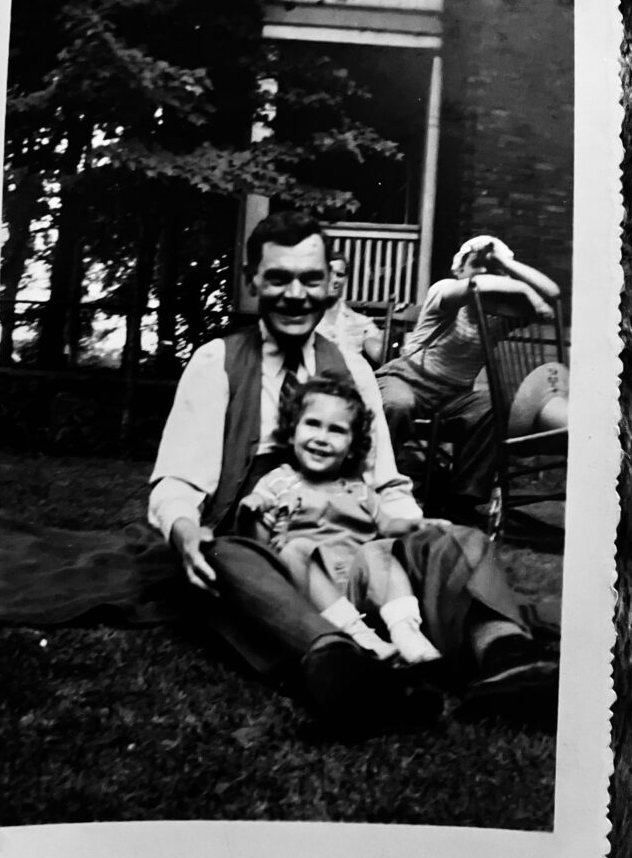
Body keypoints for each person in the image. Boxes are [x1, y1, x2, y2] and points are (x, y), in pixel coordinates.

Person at [149, 212, 558, 732]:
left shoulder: (352, 366)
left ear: (327, 285)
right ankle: (343, 670)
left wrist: (414, 526)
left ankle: (505, 658)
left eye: (310, 279)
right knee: (228, 556)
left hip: (356, 535)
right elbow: (180, 479)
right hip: (265, 540)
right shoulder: (218, 362)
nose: (295, 294)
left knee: (457, 539)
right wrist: (183, 528)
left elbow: (384, 479)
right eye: (278, 278)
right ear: (252, 281)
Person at [237, 374, 441, 666]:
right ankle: (361, 637)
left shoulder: (357, 488)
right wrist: (251, 512)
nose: (321, 438)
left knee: (379, 550)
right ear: (292, 432)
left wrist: (413, 525)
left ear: (352, 445)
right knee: (296, 548)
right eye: (312, 424)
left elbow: (387, 524)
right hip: (309, 587)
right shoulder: (278, 482)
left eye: (336, 430)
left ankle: (406, 632)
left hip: (359, 585)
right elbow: (258, 547)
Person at [376, 235, 561, 524]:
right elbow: (477, 286)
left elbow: (553, 291)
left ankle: (461, 502)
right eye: (476, 265)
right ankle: (376, 485)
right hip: (406, 378)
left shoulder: (499, 317)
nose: (484, 273)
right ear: (459, 270)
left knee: (489, 406)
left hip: (453, 396)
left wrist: (505, 263)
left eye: (493, 270)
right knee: (398, 404)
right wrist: (525, 289)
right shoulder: (445, 292)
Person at [316, 250, 384, 364]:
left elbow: (379, 352)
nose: (334, 280)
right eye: (328, 273)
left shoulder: (359, 322)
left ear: (345, 279)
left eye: (340, 275)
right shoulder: (301, 318)